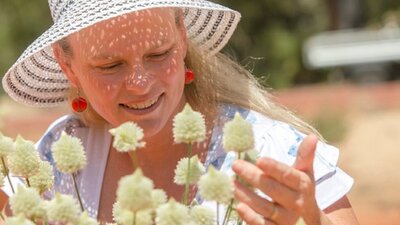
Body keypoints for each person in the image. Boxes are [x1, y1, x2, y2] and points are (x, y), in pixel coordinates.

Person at [2, 0, 359, 224]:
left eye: (158, 55)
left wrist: (315, 222)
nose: (140, 85)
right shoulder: (55, 161)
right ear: (68, 66)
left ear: (182, 40)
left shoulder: (268, 151)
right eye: (110, 65)